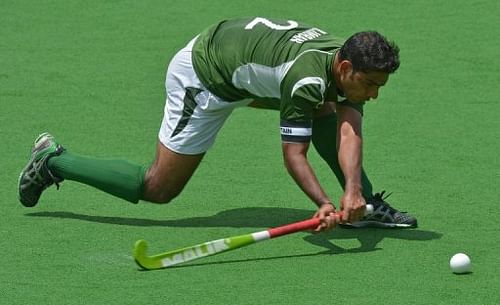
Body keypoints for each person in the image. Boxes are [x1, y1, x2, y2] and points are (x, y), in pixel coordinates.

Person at [18, 17, 417, 231]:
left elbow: (350, 129)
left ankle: (366, 205)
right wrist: (324, 204)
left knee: (329, 110)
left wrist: (352, 192)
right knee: (160, 187)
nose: (374, 94)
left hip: (242, 68)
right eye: (369, 85)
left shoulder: (341, 63)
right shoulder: (308, 79)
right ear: (346, 67)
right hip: (204, 77)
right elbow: (294, 154)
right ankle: (54, 160)